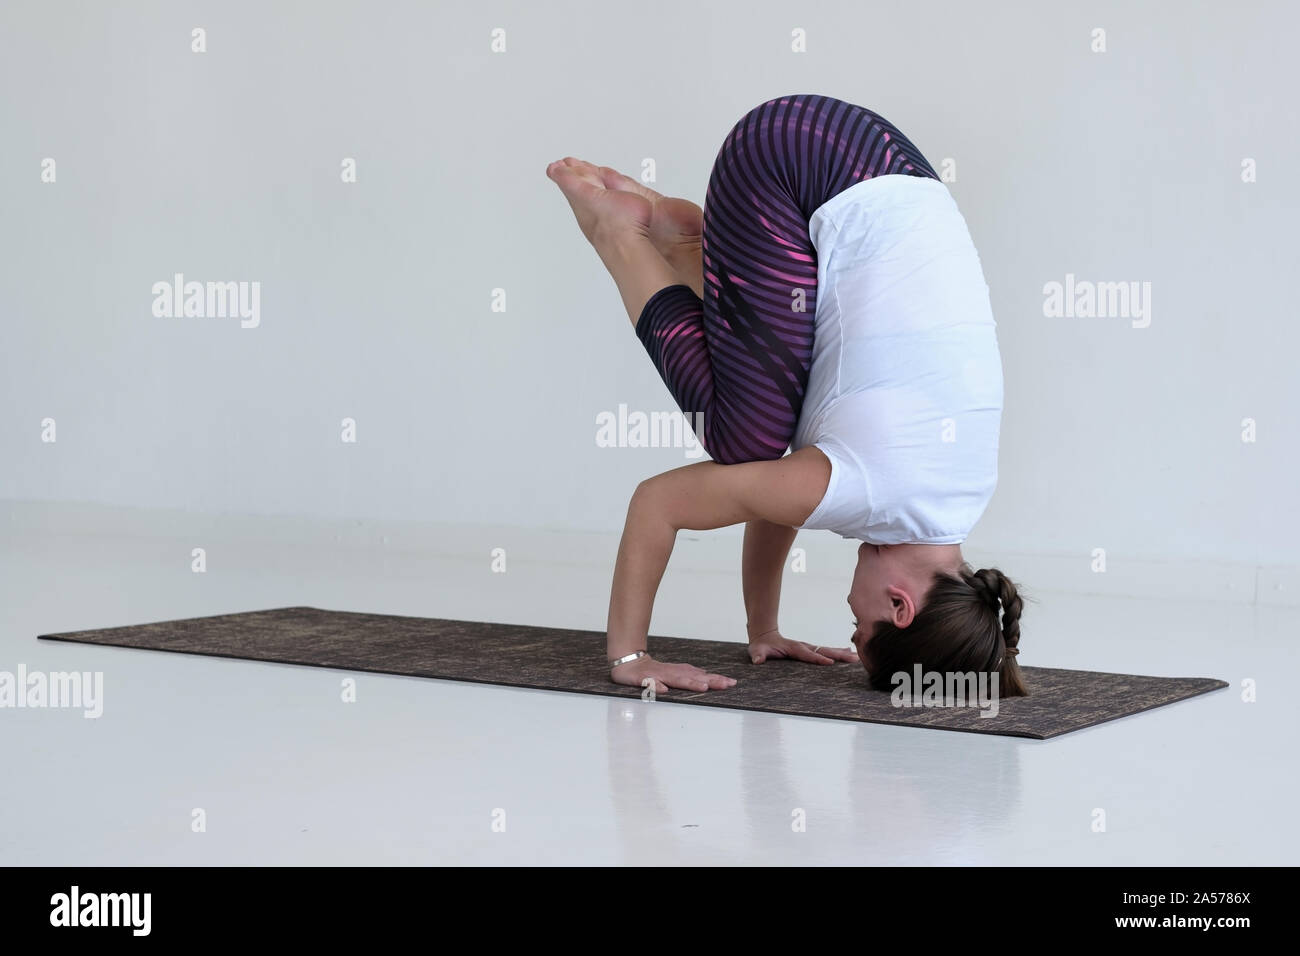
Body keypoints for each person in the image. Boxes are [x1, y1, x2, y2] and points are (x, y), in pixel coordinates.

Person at [546, 93, 1025, 698]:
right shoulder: (874, 490)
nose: (850, 617)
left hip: (865, 154)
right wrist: (631, 656)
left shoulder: (959, 494)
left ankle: (693, 247)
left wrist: (763, 628)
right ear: (899, 607)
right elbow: (657, 503)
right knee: (738, 439)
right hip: (789, 162)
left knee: (771, 429)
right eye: (859, 626)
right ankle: (621, 235)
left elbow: (780, 494)